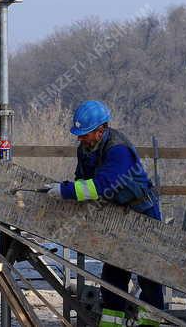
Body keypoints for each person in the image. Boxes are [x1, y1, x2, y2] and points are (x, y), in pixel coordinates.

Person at [47, 100, 164, 327]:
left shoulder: (118, 150)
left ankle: (151, 322)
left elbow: (100, 185)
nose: (80, 138)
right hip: (116, 212)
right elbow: (83, 179)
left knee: (148, 270)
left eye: (85, 133)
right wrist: (69, 189)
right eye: (79, 134)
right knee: (113, 271)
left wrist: (65, 191)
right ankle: (112, 321)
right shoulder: (85, 149)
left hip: (142, 211)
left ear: (101, 130)